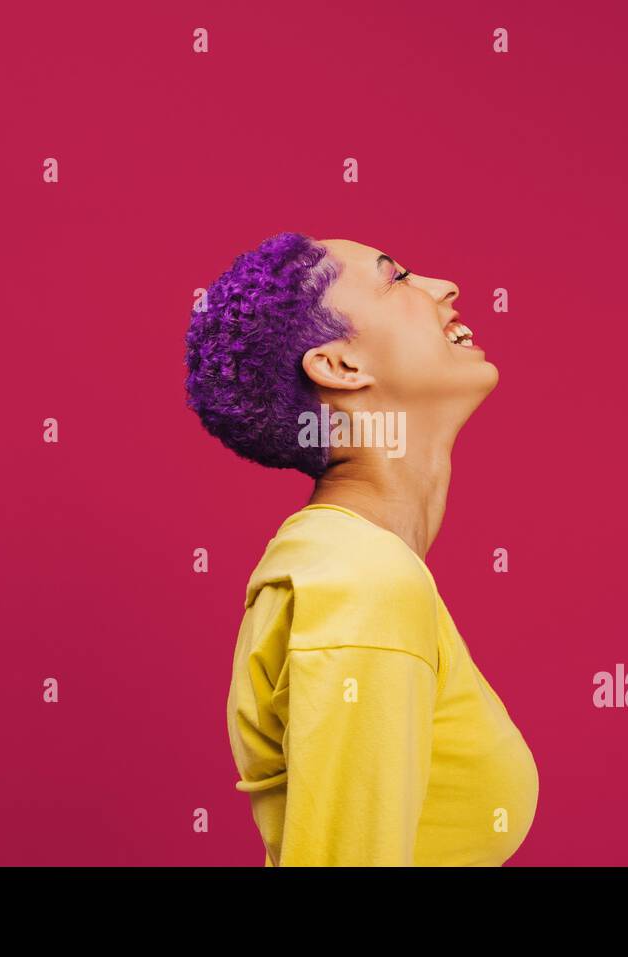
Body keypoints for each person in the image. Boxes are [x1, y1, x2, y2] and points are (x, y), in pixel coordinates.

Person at [184, 232, 538, 865]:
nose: (443, 285)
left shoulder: (348, 567)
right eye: (396, 279)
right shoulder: (362, 585)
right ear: (341, 368)